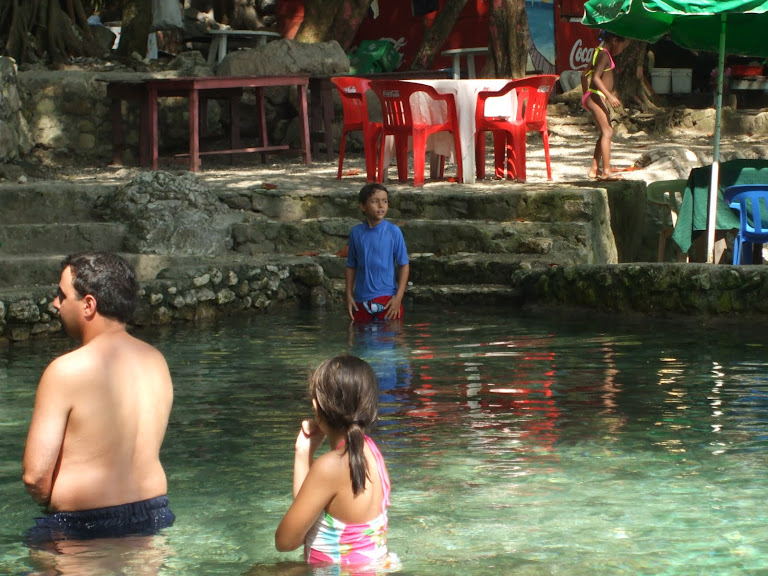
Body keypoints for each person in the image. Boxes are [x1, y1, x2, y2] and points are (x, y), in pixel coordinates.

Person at [22, 252, 175, 545]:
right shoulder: (156, 361)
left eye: (62, 295)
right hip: (154, 513)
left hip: (83, 526)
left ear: (89, 305)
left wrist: (51, 505)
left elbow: (35, 476)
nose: (55, 303)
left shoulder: (66, 371)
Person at [275, 355, 398, 570]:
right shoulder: (371, 451)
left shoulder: (331, 466)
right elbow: (308, 517)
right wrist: (304, 451)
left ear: (316, 405)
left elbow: (286, 543)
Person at [346, 183, 410, 322]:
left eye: (385, 201)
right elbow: (351, 265)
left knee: (390, 337)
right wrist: (349, 295)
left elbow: (404, 265)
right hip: (361, 300)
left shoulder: (393, 232)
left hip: (388, 300)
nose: (381, 206)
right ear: (363, 206)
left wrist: (398, 298)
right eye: (375, 201)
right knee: (359, 339)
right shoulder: (356, 233)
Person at [581, 32, 631, 181]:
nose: (622, 50)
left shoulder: (598, 51)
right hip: (596, 96)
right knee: (608, 131)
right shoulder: (604, 55)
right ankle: (606, 171)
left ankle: (594, 169)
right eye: (623, 46)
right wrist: (609, 96)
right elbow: (595, 78)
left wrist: (585, 96)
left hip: (593, 95)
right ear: (615, 41)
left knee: (604, 132)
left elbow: (584, 75)